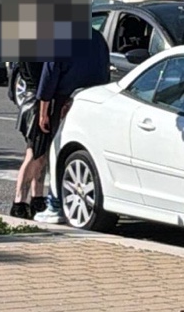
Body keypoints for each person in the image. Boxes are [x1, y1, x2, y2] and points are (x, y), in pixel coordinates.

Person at [32, 27, 112, 224]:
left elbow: (49, 75)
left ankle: (55, 204)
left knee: (57, 152)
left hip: (65, 101)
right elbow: (105, 70)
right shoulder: (98, 38)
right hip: (94, 99)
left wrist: (43, 111)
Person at [9, 60, 49, 219]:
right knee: (33, 155)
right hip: (36, 105)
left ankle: (36, 198)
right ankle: (19, 202)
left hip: (33, 102)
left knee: (40, 155)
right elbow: (44, 80)